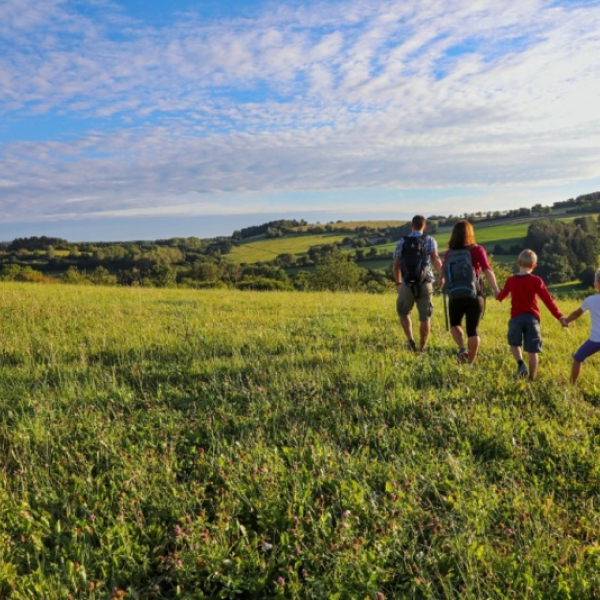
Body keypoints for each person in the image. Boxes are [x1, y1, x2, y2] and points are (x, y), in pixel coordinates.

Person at [496, 249, 567, 380]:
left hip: (516, 318)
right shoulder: (536, 280)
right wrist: (559, 316)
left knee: (514, 343)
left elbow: (501, 296)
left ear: (518, 263)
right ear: (534, 266)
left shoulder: (511, 280)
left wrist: (498, 295)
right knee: (532, 351)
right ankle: (532, 378)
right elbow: (548, 300)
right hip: (532, 319)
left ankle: (520, 364)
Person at [441, 219, 500, 364]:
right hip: (475, 294)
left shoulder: (450, 253)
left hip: (455, 295)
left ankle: (462, 349)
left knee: (455, 324)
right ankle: (471, 363)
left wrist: (441, 281)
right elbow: (487, 269)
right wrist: (496, 288)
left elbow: (443, 271)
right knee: (472, 330)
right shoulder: (477, 249)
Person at [393, 215, 442, 352]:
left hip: (407, 283)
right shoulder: (430, 240)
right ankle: (422, 347)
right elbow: (436, 259)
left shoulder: (402, 242)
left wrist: (398, 283)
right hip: (425, 282)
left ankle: (410, 340)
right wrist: (442, 276)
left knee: (403, 312)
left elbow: (396, 266)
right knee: (425, 317)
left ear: (412, 226)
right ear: (424, 226)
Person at [563, 268, 600, 383]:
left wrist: (566, 321)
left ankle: (572, 383)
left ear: (597, 284)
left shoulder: (591, 300)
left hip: (596, 339)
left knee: (578, 357)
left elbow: (576, 313)